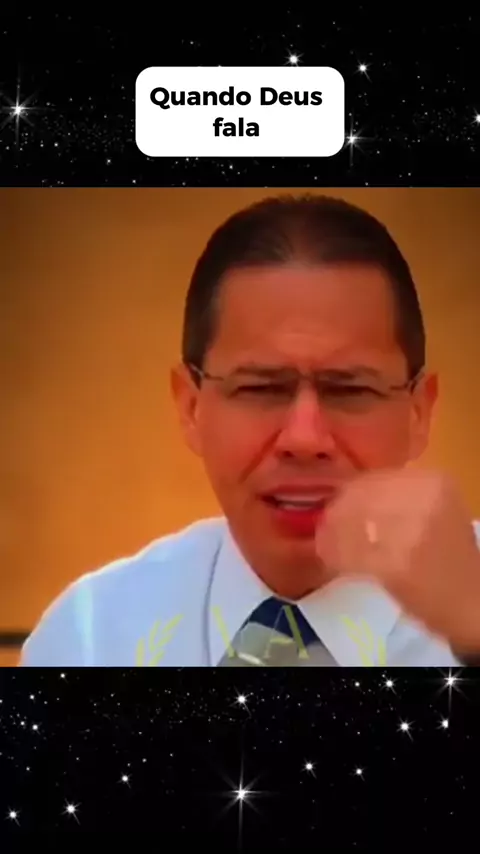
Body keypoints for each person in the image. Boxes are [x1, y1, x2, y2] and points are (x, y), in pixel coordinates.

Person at [21, 193, 480, 667]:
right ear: (191, 406)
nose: (304, 439)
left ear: (419, 412)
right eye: (261, 389)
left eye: (350, 390)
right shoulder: (91, 639)